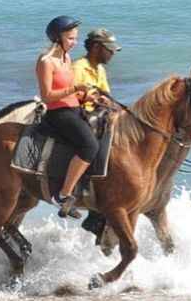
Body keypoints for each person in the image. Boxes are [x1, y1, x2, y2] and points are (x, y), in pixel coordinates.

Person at [36, 16, 99, 218]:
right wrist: (75, 88)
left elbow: (67, 91)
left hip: (73, 108)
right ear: (58, 38)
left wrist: (85, 96)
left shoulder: (66, 58)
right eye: (70, 38)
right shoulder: (46, 62)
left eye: (75, 38)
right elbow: (47, 96)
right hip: (58, 113)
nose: (75, 42)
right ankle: (63, 195)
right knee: (90, 146)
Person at [72, 28, 122, 237]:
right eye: (109, 50)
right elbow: (72, 95)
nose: (112, 54)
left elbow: (106, 95)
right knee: (91, 144)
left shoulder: (99, 69)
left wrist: (110, 104)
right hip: (82, 115)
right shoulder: (78, 67)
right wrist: (91, 99)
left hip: (100, 115)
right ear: (95, 47)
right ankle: (81, 189)